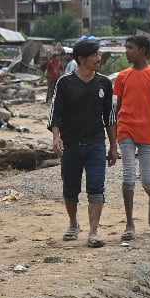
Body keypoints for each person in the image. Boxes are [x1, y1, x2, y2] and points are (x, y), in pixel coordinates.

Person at [49, 38, 116, 247]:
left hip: (96, 143)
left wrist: (113, 146)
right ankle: (73, 223)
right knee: (70, 189)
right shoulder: (65, 82)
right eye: (95, 55)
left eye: (99, 54)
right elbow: (55, 113)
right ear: (81, 58)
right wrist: (56, 136)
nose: (99, 58)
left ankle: (94, 232)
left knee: (96, 187)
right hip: (71, 144)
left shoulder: (104, 83)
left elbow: (110, 117)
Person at [111, 35, 150, 246]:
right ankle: (129, 224)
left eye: (130, 48)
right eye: (126, 47)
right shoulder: (122, 76)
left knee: (147, 181)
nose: (126, 51)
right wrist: (111, 135)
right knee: (128, 177)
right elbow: (117, 106)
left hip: (147, 133)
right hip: (125, 130)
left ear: (143, 51)